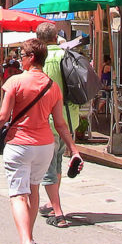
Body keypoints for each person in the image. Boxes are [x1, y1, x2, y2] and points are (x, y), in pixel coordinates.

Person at [0, 39, 83, 244]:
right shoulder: (53, 86)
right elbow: (60, 124)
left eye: (22, 56)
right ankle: (29, 236)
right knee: (34, 190)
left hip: (19, 144)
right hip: (45, 146)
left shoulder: (15, 82)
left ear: (31, 58)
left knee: (18, 195)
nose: (20, 60)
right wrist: (74, 149)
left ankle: (26, 242)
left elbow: (2, 116)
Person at [35, 22, 80, 229]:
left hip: (49, 119)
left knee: (46, 166)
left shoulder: (42, 60)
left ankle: (57, 209)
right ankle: (54, 203)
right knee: (58, 162)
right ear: (56, 37)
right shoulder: (67, 55)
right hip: (70, 118)